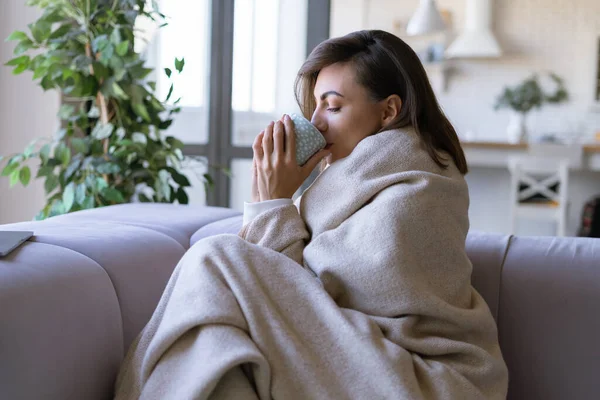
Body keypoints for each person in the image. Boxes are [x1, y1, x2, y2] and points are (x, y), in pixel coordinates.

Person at [115, 30, 508, 399]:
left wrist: (272, 205)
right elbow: (291, 303)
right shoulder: (344, 185)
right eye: (315, 104)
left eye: (333, 105)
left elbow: (306, 296)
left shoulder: (419, 192)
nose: (316, 121)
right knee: (220, 352)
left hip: (422, 379)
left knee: (216, 256)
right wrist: (271, 202)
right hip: (360, 358)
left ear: (388, 111)